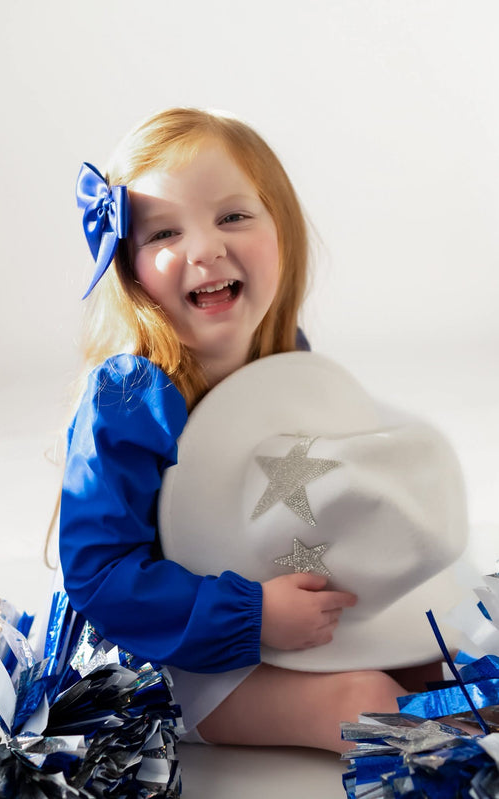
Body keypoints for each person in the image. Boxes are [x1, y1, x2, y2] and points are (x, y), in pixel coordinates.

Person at [59, 107, 454, 753]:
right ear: (128, 266)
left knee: (443, 660)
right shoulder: (131, 396)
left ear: (283, 230)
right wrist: (255, 613)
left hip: (287, 617)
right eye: (163, 232)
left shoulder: (286, 361)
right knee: (363, 699)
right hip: (180, 658)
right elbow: (100, 577)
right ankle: (455, 767)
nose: (205, 248)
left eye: (232, 216)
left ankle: (470, 730)